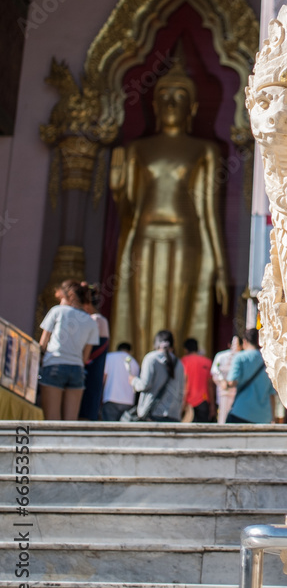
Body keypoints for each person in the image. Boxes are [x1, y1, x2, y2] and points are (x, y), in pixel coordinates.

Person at [109, 55, 229, 361]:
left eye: (179, 97)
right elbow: (129, 212)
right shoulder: (138, 149)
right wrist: (118, 187)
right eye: (164, 96)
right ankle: (141, 375)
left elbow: (208, 214)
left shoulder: (205, 150)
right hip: (144, 236)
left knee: (176, 316)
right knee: (141, 316)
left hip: (185, 238)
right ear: (154, 105)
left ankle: (173, 379)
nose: (171, 103)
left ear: (193, 108)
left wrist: (220, 268)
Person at [39, 280, 100, 421]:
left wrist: (40, 360)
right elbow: (85, 358)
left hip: (54, 364)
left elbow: (43, 343)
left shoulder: (57, 311)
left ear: (70, 296)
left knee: (52, 420)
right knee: (70, 422)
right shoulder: (91, 322)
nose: (60, 302)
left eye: (61, 298)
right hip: (77, 369)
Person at [221, 328, 275, 424]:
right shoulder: (268, 360)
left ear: (245, 341)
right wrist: (273, 417)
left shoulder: (240, 357)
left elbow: (232, 382)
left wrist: (225, 384)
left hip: (242, 411)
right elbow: (272, 394)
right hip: (263, 416)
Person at [129, 330, 184, 422]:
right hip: (174, 414)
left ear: (156, 343)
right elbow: (181, 391)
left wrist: (133, 381)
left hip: (153, 413)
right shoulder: (179, 363)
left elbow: (144, 385)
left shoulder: (151, 359)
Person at [78, 283, 110, 420]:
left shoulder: (95, 320)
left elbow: (90, 346)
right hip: (94, 368)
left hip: (91, 368)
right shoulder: (100, 319)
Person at [101, 342, 139, 421]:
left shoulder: (109, 357)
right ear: (130, 351)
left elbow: (103, 377)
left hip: (111, 397)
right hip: (128, 401)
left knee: (109, 426)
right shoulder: (134, 362)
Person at [181, 337, 215, 422]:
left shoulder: (184, 361)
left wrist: (182, 402)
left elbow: (184, 382)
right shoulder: (207, 362)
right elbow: (210, 385)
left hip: (188, 402)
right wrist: (212, 405)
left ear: (185, 350)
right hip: (203, 400)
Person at [211, 335, 241, 423]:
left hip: (238, 393)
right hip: (224, 392)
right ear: (229, 345)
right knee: (223, 417)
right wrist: (222, 381)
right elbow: (215, 370)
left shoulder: (242, 358)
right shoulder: (221, 356)